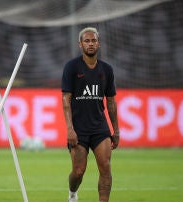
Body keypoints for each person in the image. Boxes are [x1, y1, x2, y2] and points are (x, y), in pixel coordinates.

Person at [61, 27, 120, 202]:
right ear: (80, 44)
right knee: (78, 171)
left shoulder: (107, 70)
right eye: (87, 41)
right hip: (79, 129)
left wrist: (115, 130)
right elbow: (66, 99)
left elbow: (110, 102)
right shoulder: (72, 67)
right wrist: (70, 129)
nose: (91, 44)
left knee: (105, 167)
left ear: (99, 43)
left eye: (93, 40)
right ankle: (72, 193)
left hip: (100, 128)